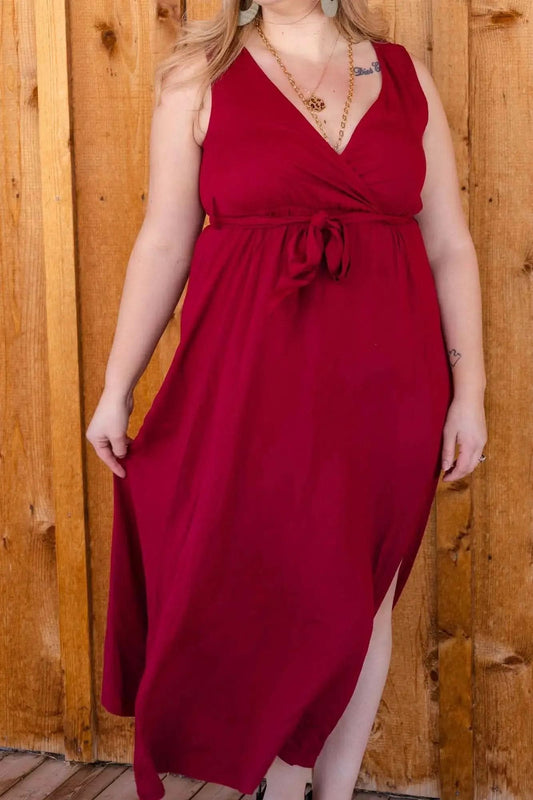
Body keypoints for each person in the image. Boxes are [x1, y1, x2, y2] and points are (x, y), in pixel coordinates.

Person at [86, 1, 488, 799]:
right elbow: (164, 240)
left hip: (390, 382)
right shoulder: (199, 78)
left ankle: (322, 792)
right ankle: (276, 780)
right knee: (272, 579)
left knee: (362, 598)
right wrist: (114, 387)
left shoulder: (404, 75)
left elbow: (449, 244)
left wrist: (468, 390)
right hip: (251, 381)